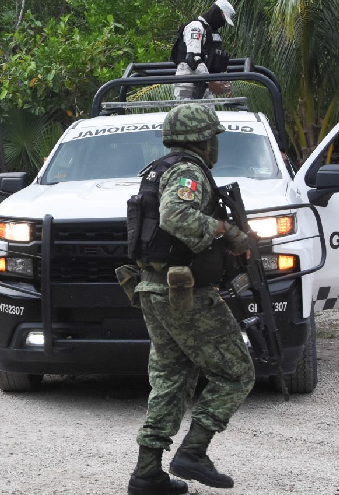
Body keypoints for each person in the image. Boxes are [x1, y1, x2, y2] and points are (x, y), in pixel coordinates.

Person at [123, 103, 254, 494]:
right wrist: (226, 231)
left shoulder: (159, 168)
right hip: (183, 292)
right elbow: (176, 217)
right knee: (237, 373)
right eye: (213, 137)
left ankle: (147, 474)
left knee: (171, 378)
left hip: (152, 287)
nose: (215, 145)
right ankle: (193, 453)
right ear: (203, 139)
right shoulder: (188, 171)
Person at [171, 0, 236, 100]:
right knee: (187, 114)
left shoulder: (213, 34)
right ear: (216, 12)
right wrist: (211, 82)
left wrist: (224, 82)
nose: (223, 24)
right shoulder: (195, 27)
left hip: (204, 85)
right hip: (187, 85)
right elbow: (192, 59)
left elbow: (214, 61)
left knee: (210, 115)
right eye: (223, 18)